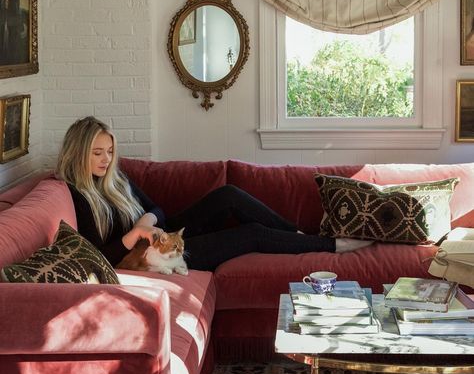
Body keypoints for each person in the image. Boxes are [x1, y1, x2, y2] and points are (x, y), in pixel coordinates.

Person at [56, 116, 370, 272]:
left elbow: (158, 209)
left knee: (228, 195)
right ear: (78, 152)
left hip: (161, 235)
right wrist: (135, 234)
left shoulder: (114, 178)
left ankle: (296, 235)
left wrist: (147, 220)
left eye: (109, 151)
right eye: (97, 153)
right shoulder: (76, 196)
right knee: (251, 234)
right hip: (153, 255)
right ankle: (331, 245)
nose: (106, 159)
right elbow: (96, 258)